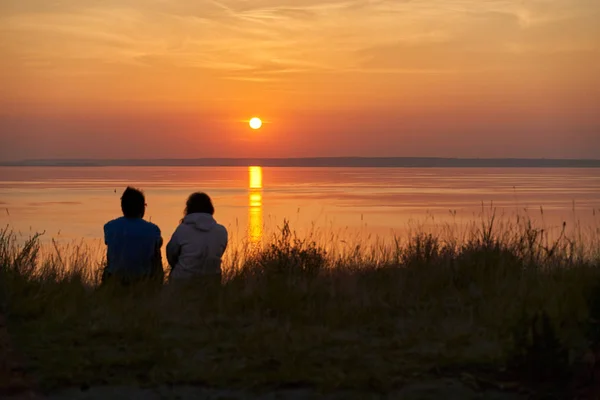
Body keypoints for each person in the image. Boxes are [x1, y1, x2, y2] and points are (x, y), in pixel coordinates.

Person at [102, 187, 164, 285]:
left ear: (123, 207)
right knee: (156, 254)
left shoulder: (109, 227)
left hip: (115, 280)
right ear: (142, 208)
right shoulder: (153, 229)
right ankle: (158, 289)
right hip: (142, 281)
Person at [166, 192, 228, 284]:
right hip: (212, 280)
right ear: (210, 209)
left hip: (183, 280)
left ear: (188, 209)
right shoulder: (221, 231)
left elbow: (171, 254)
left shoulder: (182, 230)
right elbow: (218, 253)